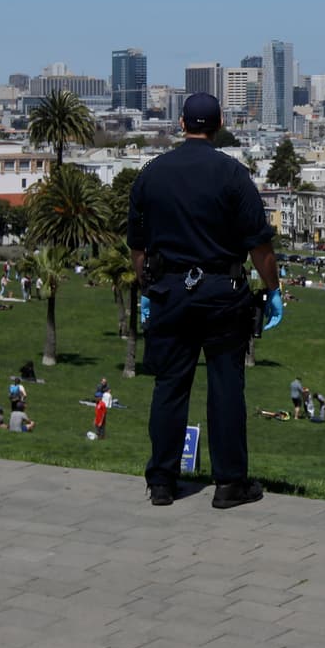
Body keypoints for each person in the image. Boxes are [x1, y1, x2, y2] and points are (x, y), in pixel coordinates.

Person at [128, 92, 282, 508]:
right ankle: (229, 484)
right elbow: (259, 245)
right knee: (226, 386)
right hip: (222, 292)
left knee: (170, 386)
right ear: (218, 125)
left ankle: (161, 480)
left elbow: (138, 245)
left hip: (169, 292)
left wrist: (147, 288)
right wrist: (273, 289)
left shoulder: (151, 174)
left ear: (181, 124)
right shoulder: (233, 175)